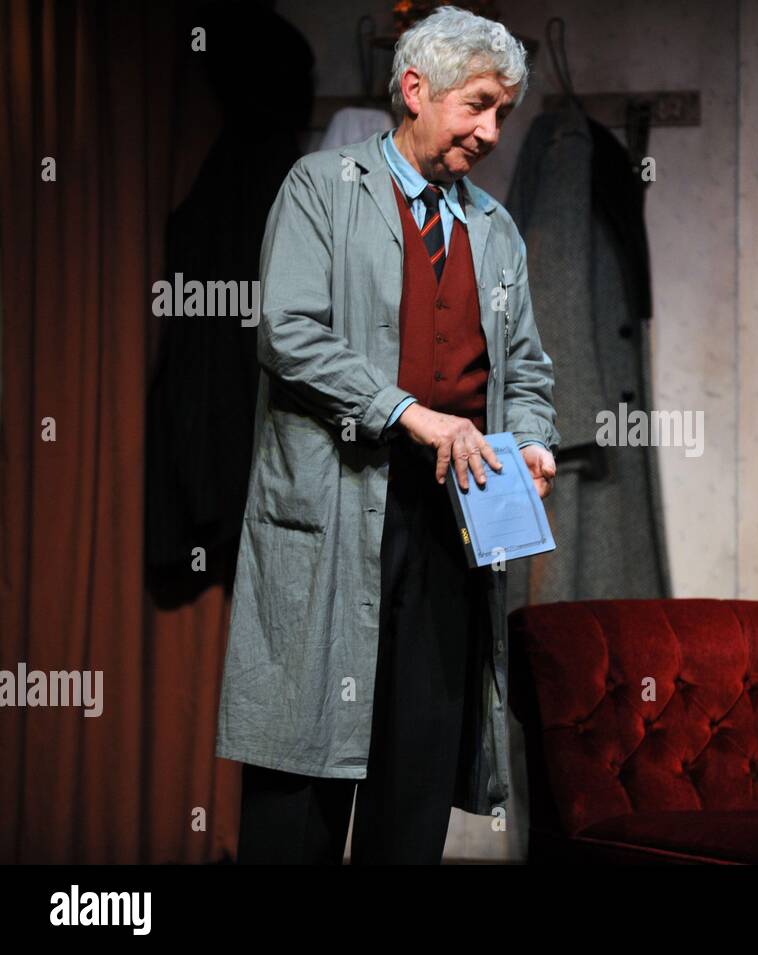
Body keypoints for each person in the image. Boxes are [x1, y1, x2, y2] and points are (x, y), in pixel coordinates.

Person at [215, 5, 559, 864]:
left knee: (414, 779)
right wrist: (409, 412)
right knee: (302, 782)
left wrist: (535, 439)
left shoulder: (496, 229)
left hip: (451, 531)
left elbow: (528, 368)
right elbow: (288, 331)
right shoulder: (320, 188)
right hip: (335, 520)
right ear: (415, 89)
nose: (489, 131)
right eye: (477, 105)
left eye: (502, 116)